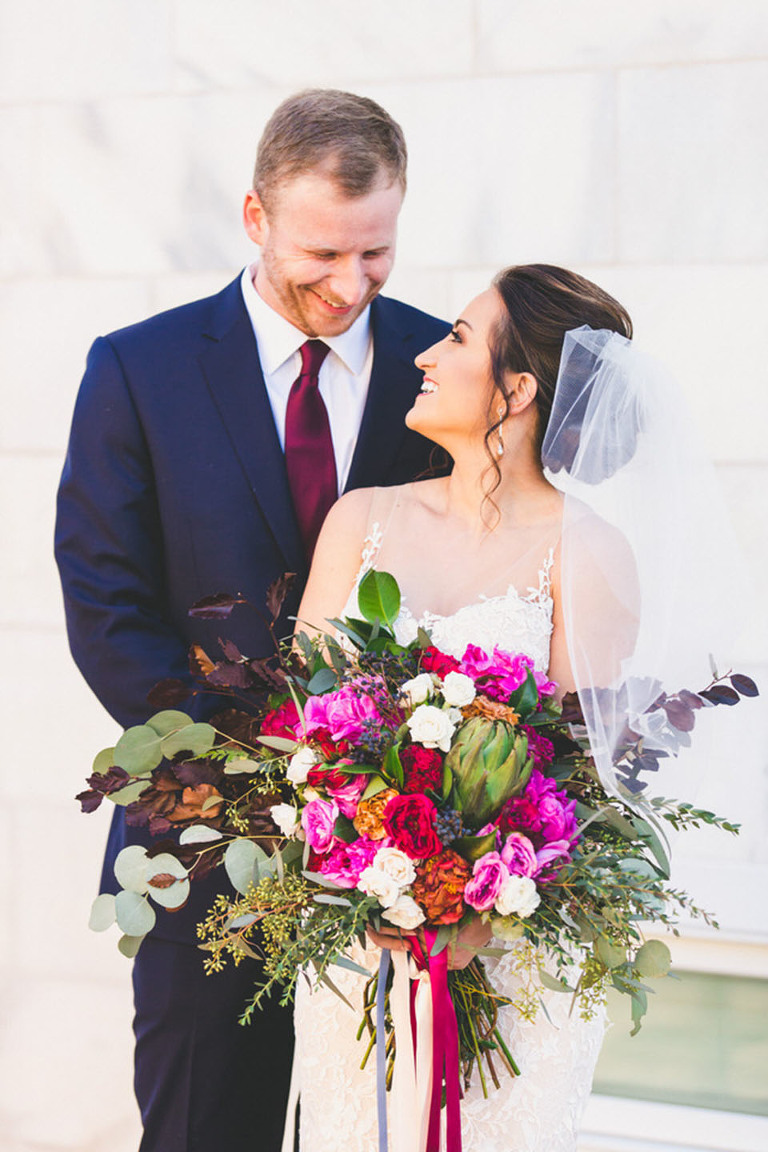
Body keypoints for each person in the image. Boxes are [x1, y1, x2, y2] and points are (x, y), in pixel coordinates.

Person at [55, 89, 449, 1152]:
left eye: (378, 254)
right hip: (198, 841)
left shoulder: (442, 366)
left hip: (401, 854)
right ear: (254, 216)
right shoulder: (139, 368)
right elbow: (103, 597)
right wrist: (253, 768)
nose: (351, 285)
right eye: (324, 252)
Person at [292, 264, 637, 1152]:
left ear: (517, 388)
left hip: (508, 961)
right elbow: (301, 740)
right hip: (358, 943)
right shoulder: (359, 519)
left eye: (454, 337)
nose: (422, 354)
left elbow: (584, 786)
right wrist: (374, 872)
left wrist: (478, 902)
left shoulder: (587, 552)